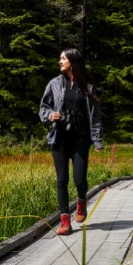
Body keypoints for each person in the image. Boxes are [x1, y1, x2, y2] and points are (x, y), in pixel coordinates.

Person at [39, 48, 103, 235]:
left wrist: (97, 140)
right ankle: (65, 221)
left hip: (80, 139)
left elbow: (95, 116)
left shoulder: (88, 87)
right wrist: (51, 115)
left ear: (73, 62)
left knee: (79, 178)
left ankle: (81, 201)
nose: (60, 62)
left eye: (63, 59)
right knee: (62, 179)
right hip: (59, 138)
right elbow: (43, 108)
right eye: (60, 58)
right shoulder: (54, 84)